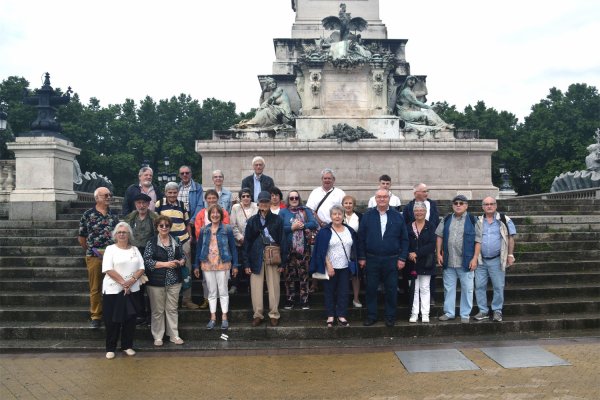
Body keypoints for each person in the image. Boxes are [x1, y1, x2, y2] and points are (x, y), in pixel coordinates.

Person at [358, 189, 409, 327]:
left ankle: (390, 316)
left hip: (391, 259)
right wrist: (362, 257)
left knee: (391, 289)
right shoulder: (367, 216)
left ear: (389, 198)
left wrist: (402, 258)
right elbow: (361, 238)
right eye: (379, 197)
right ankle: (371, 316)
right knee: (371, 289)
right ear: (375, 198)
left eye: (384, 197)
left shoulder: (398, 216)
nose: (381, 199)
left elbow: (404, 239)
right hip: (371, 259)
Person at [101, 222, 145, 359]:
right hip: (113, 291)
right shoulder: (110, 249)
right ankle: (110, 348)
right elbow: (108, 269)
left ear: (129, 235)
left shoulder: (135, 249)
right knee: (112, 320)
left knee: (130, 319)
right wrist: (123, 283)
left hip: (133, 290)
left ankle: (127, 345)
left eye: (124, 232)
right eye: (119, 232)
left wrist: (131, 281)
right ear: (115, 235)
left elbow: (142, 268)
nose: (122, 234)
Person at [436, 195, 482, 323]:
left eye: (461, 203)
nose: (458, 205)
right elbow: (439, 236)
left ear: (466, 205)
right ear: (452, 205)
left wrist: (475, 259)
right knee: (448, 289)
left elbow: (478, 241)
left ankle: (465, 314)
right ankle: (449, 313)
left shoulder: (473, 220)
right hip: (449, 261)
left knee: (467, 289)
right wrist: (438, 253)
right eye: (455, 203)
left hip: (466, 262)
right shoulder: (446, 219)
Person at [78, 187, 119, 329]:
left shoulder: (114, 215)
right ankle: (96, 316)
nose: (108, 197)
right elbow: (82, 237)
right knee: (95, 287)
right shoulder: (88, 214)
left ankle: (112, 312)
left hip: (112, 256)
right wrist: (90, 250)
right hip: (94, 256)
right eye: (105, 195)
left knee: (114, 286)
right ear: (97, 198)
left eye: (110, 194)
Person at [310, 205, 357, 327]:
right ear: (331, 216)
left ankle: (341, 315)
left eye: (339, 214)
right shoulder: (325, 231)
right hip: (330, 267)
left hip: (345, 267)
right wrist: (328, 265)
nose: (337, 216)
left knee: (344, 292)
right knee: (329, 291)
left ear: (343, 216)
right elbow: (321, 250)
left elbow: (354, 247)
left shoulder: (349, 230)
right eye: (334, 214)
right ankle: (330, 315)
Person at [193, 204, 239, 330]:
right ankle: (212, 317)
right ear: (209, 215)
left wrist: (235, 265)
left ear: (221, 214)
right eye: (212, 213)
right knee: (212, 292)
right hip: (207, 264)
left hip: (223, 264)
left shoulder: (227, 229)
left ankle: (224, 316)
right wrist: (196, 265)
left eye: (217, 212)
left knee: (223, 291)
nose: (215, 215)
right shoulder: (204, 230)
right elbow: (199, 248)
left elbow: (233, 248)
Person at [243, 191, 285, 327]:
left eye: (266, 201)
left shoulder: (277, 219)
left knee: (274, 286)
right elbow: (247, 243)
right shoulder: (252, 221)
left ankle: (274, 314)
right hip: (256, 256)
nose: (264, 204)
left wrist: (283, 261)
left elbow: (283, 241)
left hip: (273, 255)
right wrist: (246, 263)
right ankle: (258, 314)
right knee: (256, 287)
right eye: (262, 202)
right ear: (258, 203)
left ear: (270, 203)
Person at [143, 215, 186, 346]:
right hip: (156, 282)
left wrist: (180, 262)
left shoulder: (176, 240)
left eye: (167, 225)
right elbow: (147, 261)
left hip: (174, 281)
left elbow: (183, 256)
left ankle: (174, 335)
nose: (164, 227)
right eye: (161, 225)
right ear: (157, 227)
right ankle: (158, 336)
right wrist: (166, 264)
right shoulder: (151, 242)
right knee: (157, 311)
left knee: (172, 309)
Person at [473, 197, 517, 322]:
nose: (489, 206)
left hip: (497, 260)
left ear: (496, 205)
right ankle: (483, 311)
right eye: (486, 204)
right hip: (481, 260)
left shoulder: (504, 219)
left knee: (498, 286)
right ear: (482, 207)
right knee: (479, 286)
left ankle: (497, 311)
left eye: (492, 204)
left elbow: (510, 238)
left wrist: (510, 255)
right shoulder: (478, 221)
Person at [155, 182, 198, 310]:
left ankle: (186, 299)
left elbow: (187, 223)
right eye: (170, 192)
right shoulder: (160, 204)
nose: (172, 195)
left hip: (183, 240)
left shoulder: (182, 205)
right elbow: (156, 223)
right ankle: (168, 299)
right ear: (165, 193)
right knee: (168, 268)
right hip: (166, 240)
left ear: (177, 193)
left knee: (186, 270)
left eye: (174, 192)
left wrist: (190, 237)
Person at [402, 182, 441, 306]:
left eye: (427, 191)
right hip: (413, 247)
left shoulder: (433, 205)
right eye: (423, 191)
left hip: (428, 244)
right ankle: (411, 299)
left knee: (429, 270)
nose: (426, 193)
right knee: (412, 274)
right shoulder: (408, 207)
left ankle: (431, 297)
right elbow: (406, 226)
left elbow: (436, 222)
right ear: (415, 193)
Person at [123, 193, 158, 325]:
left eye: (144, 203)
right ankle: (140, 314)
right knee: (137, 287)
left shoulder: (154, 218)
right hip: (134, 255)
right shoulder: (130, 219)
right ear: (135, 204)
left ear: (149, 204)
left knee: (151, 287)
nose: (141, 205)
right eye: (139, 203)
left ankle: (151, 315)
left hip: (150, 255)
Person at [280, 190, 318, 310]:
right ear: (288, 200)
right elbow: (279, 228)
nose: (294, 200)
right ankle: (290, 299)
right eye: (292, 198)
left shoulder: (305, 210)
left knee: (304, 276)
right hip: (288, 248)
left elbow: (314, 223)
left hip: (303, 248)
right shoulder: (283, 212)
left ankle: (304, 300)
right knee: (289, 276)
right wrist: (292, 228)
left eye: (296, 197)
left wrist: (302, 225)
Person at [406, 202, 437, 323]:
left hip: (426, 262)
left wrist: (417, 253)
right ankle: (414, 313)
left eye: (421, 210)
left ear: (425, 212)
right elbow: (404, 241)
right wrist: (409, 253)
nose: (419, 212)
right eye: (416, 210)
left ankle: (425, 313)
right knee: (413, 288)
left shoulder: (431, 226)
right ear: (413, 213)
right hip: (411, 263)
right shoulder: (408, 226)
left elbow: (432, 244)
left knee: (424, 288)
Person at [229, 187, 258, 294]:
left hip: (253, 242)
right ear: (240, 198)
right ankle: (234, 285)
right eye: (243, 196)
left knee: (250, 263)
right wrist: (240, 238)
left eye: (248, 196)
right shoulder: (235, 207)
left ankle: (250, 286)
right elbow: (233, 225)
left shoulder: (256, 206)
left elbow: (257, 224)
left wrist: (249, 239)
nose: (246, 198)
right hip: (239, 242)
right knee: (238, 262)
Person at [342, 195, 363, 308]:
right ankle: (343, 299)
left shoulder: (359, 216)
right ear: (342, 205)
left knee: (356, 275)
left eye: (350, 203)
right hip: (341, 249)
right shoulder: (338, 216)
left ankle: (356, 298)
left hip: (355, 250)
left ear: (354, 205)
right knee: (342, 275)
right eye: (346, 203)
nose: (348, 205)